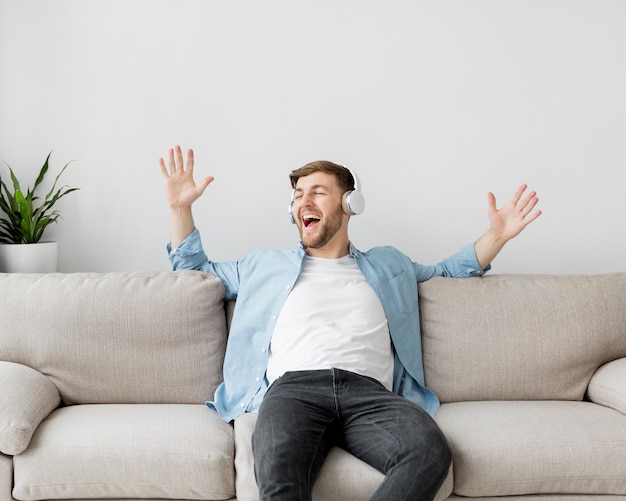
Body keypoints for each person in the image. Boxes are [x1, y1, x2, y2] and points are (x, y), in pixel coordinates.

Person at [159, 145, 542, 501]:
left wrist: (496, 235)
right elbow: (195, 272)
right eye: (296, 197)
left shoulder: (389, 264)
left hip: (371, 395)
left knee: (429, 453)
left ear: (349, 204)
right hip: (294, 390)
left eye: (317, 192)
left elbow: (446, 271)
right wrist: (180, 209)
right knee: (277, 469)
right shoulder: (264, 266)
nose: (302, 202)